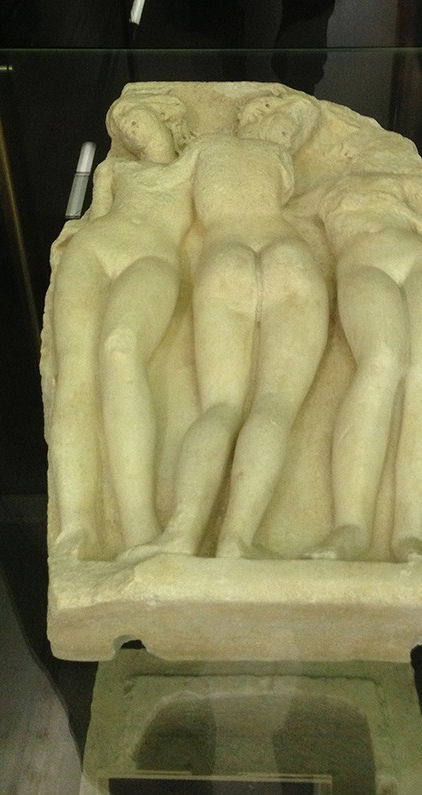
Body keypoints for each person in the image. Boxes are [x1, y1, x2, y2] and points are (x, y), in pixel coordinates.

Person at [130, 90, 330, 560]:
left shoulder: (204, 151)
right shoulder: (279, 161)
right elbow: (301, 118)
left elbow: (159, 182)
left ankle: (181, 534)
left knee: (219, 407)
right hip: (290, 255)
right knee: (276, 404)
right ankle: (236, 540)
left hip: (224, 256)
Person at [45, 92, 194, 559]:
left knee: (121, 348)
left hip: (151, 257)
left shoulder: (194, 165)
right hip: (94, 250)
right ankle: (77, 525)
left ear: (166, 116)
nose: (130, 126)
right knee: (75, 374)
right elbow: (91, 216)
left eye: (135, 115)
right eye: (121, 122)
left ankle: (139, 528)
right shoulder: (113, 171)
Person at [307, 132, 422, 562]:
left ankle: (414, 535)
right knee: (381, 362)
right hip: (364, 262)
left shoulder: (402, 180)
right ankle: (351, 526)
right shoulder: (320, 192)